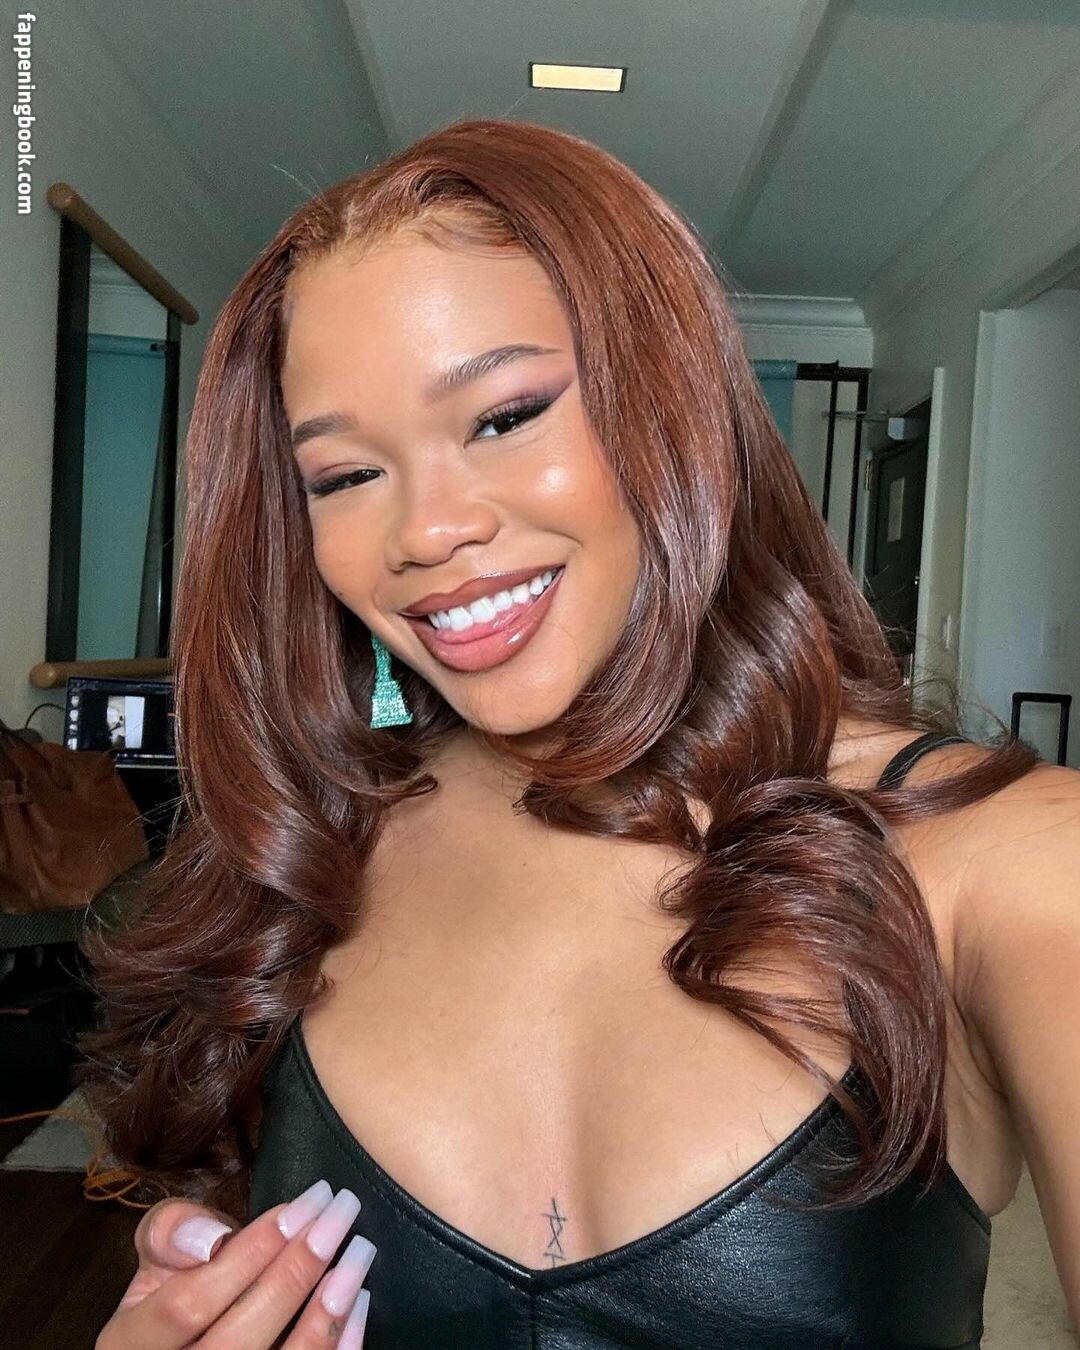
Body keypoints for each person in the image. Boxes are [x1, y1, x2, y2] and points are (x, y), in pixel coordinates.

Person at [83, 118, 1080, 1348]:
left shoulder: (1006, 859)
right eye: (343, 477)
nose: (425, 532)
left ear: (674, 405)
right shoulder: (308, 858)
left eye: (504, 416)